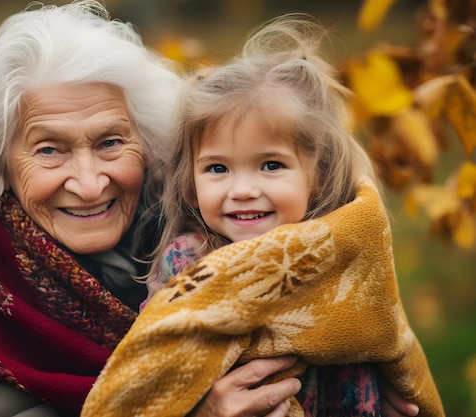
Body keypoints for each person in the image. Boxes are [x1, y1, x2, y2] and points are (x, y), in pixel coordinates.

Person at [0, 2, 309, 416]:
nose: (90, 186)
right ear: (0, 161)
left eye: (111, 142)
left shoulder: (192, 214)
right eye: (49, 150)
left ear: (147, 143)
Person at [82, 15, 443, 417]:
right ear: (191, 181)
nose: (241, 190)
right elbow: (155, 362)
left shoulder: (344, 248)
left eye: (270, 165)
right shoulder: (187, 263)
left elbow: (382, 331)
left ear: (317, 176)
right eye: (217, 169)